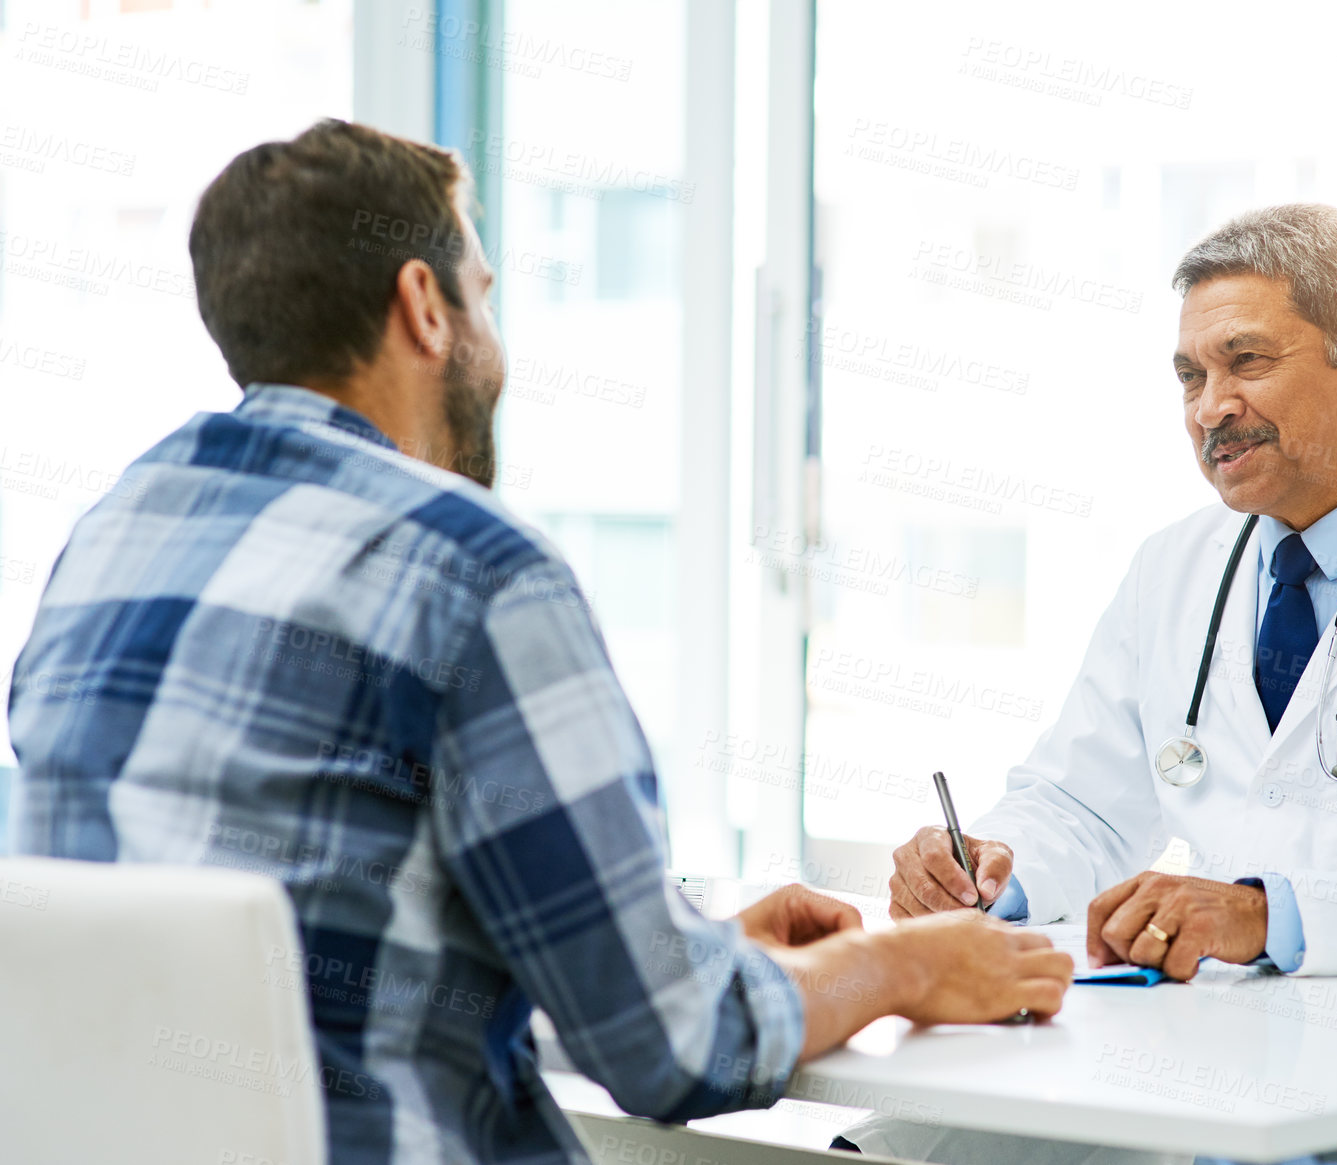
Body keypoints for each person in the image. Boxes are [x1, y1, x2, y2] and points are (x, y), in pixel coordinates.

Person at [5, 119, 1073, 1165]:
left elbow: (315, 926)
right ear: (424, 306)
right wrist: (897, 964)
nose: (491, 339)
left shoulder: (111, 537)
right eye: (482, 296)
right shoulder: (472, 568)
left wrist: (681, 943)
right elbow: (671, 1047)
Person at [845, 204, 1337, 1163]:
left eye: (1246, 362)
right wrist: (991, 871)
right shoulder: (1173, 568)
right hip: (1215, 1062)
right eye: (1190, 375)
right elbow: (1080, 807)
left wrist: (1268, 914)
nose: (1208, 407)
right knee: (915, 1143)